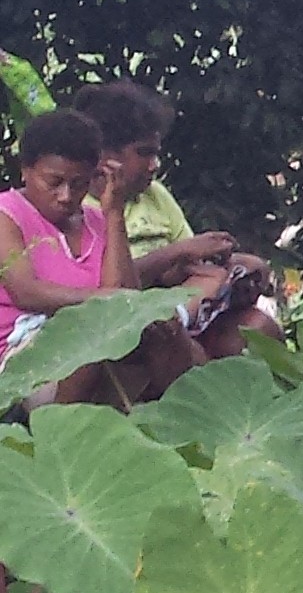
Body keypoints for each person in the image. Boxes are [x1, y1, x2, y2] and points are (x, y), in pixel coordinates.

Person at [78, 80, 271, 364]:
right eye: (144, 153)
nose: (154, 164)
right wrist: (176, 253)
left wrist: (213, 261)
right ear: (105, 156)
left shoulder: (156, 194)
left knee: (257, 316)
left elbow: (191, 268)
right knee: (175, 341)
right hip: (127, 323)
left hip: (181, 299)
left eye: (157, 153)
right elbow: (105, 287)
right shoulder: (78, 207)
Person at [0, 109, 121, 400]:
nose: (66, 195)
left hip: (95, 346)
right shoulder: (6, 214)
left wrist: (115, 213)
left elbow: (124, 293)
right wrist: (101, 298)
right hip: (21, 360)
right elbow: (27, 293)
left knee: (164, 332)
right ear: (25, 170)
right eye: (54, 182)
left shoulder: (98, 221)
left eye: (79, 184)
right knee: (94, 342)